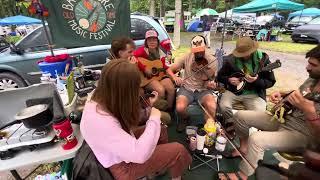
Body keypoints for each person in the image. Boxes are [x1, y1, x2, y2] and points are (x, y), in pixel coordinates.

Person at [218, 45, 320, 180]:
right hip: (285, 117)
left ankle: (243, 175)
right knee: (240, 116)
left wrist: (309, 110)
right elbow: (302, 93)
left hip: (303, 133)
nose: (307, 67)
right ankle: (243, 148)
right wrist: (284, 94)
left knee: (257, 139)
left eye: (313, 65)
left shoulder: (262, 59)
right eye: (308, 63)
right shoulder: (313, 78)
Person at [80, 59, 192, 180]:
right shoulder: (101, 122)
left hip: (120, 151)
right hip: (123, 168)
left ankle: (157, 168)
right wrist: (153, 117)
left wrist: (149, 108)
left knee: (160, 128)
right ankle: (176, 177)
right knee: (178, 150)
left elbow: (126, 119)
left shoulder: (98, 97)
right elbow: (139, 154)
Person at [217, 37, 276, 130]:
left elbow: (270, 81)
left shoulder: (263, 60)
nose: (243, 56)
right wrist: (229, 80)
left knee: (260, 112)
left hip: (254, 94)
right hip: (234, 92)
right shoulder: (231, 60)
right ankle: (230, 122)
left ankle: (244, 126)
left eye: (246, 53)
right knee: (224, 106)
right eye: (241, 54)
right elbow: (219, 77)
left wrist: (256, 81)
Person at [167, 35, 218, 132]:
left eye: (201, 50)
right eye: (196, 51)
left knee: (212, 106)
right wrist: (175, 77)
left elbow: (212, 79)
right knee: (180, 108)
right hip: (187, 88)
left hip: (203, 89)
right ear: (192, 49)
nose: (199, 53)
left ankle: (208, 128)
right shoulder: (187, 56)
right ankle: (185, 119)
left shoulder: (212, 60)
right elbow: (169, 70)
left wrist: (210, 82)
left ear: (206, 47)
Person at [133, 29, 175, 111]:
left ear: (157, 41)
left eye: (154, 40)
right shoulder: (142, 51)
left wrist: (172, 71)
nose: (152, 42)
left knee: (171, 89)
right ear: (146, 42)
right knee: (160, 91)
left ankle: (168, 110)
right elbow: (133, 57)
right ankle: (155, 112)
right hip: (147, 79)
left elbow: (162, 66)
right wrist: (144, 68)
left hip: (158, 76)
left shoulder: (160, 52)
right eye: (149, 40)